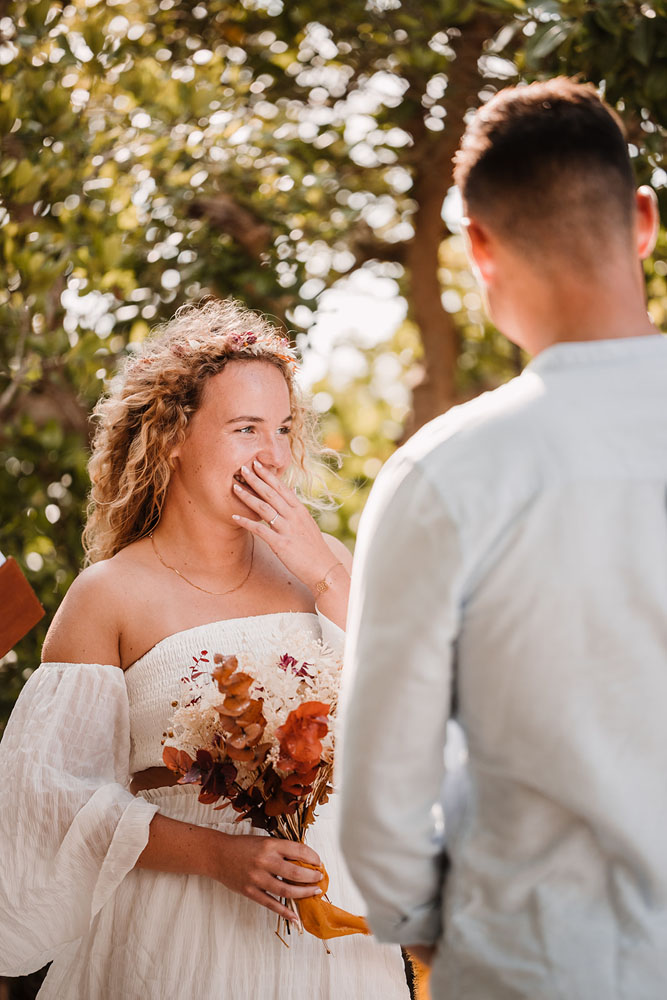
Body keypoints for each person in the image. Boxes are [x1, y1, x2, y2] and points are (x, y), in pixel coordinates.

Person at [340, 77, 667, 999]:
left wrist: (423, 927)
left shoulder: (444, 477)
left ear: (477, 248)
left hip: (534, 968)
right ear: (640, 219)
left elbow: (380, 805)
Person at [0, 298, 408, 999]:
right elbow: (47, 799)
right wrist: (215, 854)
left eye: (282, 428)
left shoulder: (328, 567)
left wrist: (326, 572)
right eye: (246, 428)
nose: (273, 455)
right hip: (174, 937)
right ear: (171, 440)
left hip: (333, 943)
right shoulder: (110, 595)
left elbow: (413, 712)